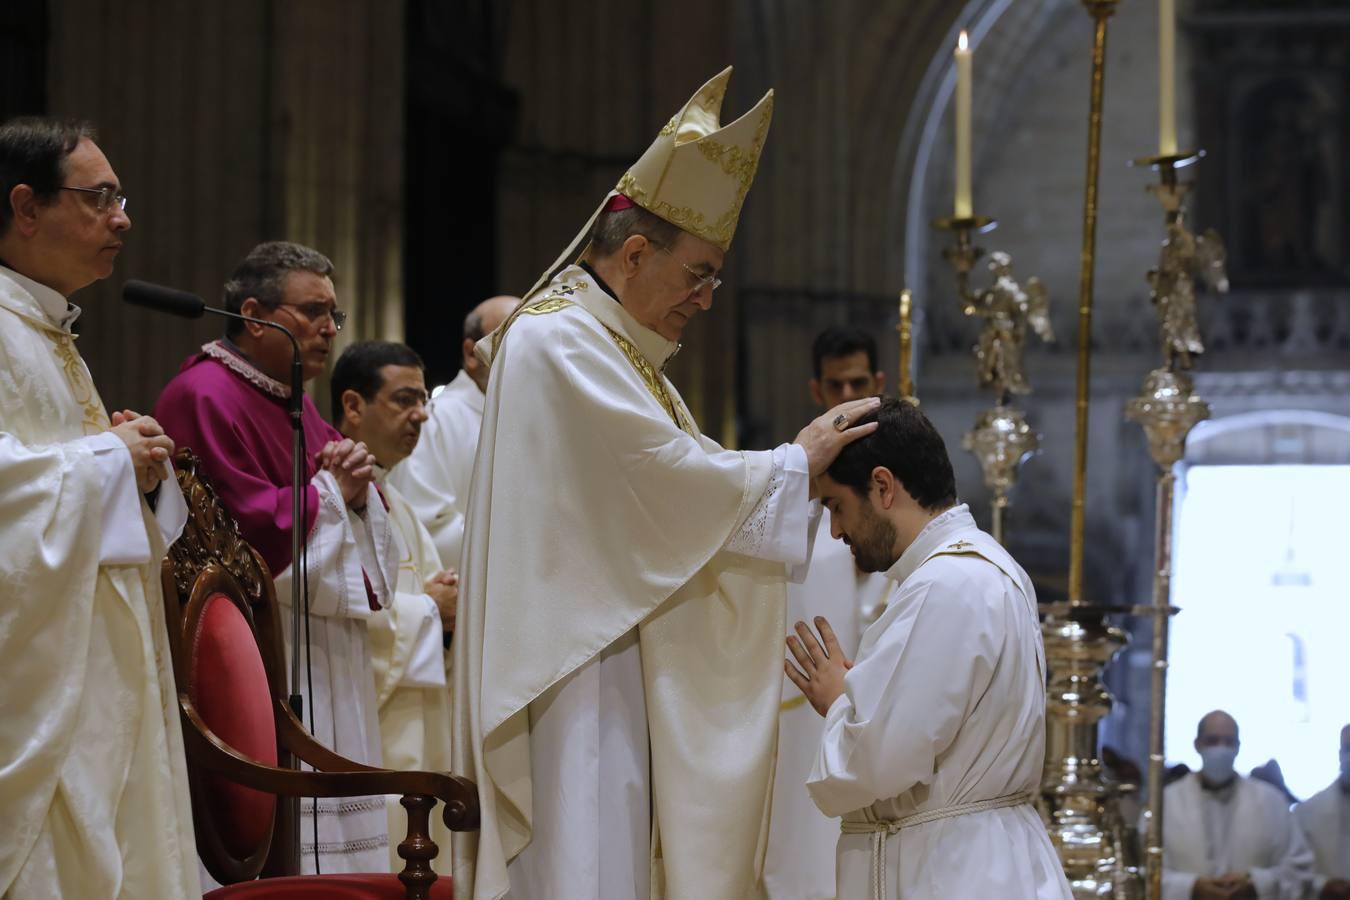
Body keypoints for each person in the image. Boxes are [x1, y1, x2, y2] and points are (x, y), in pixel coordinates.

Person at [452, 67, 881, 900]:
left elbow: (664, 489)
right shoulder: (561, 343)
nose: (708, 299)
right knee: (587, 858)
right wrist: (795, 460)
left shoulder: (611, 346)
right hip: (572, 671)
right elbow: (666, 481)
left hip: (608, 651)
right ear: (638, 251)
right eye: (701, 273)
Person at [0, 116, 200, 898]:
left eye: (121, 198)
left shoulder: (47, 329)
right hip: (38, 690)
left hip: (96, 674)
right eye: (100, 198)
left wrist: (135, 472)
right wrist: (106, 460)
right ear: (25, 207)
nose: (123, 218)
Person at [155, 241, 398, 874]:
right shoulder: (204, 394)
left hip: (322, 648)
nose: (329, 329)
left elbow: (334, 505)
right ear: (256, 313)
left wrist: (357, 487)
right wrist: (334, 493)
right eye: (314, 310)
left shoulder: (295, 403)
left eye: (335, 315)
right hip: (263, 650)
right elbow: (236, 534)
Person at [785, 397, 1072, 900]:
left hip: (953, 871)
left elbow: (874, 765)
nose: (835, 530)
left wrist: (839, 705)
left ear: (882, 486)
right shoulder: (984, 569)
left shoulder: (943, 585)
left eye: (836, 505)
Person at [764, 326, 893, 900]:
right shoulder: (798, 476)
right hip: (809, 702)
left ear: (879, 383)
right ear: (816, 389)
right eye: (835, 383)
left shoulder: (905, 463)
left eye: (858, 382)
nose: (846, 392)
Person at [332, 340, 459, 874]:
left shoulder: (395, 500)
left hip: (411, 726)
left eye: (424, 399)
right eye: (404, 399)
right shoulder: (330, 492)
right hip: (364, 736)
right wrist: (430, 610)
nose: (422, 414)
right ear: (354, 406)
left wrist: (446, 611)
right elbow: (336, 612)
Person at [386, 294, 519, 568]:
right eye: (510, 340)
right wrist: (524, 542)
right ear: (472, 353)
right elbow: (430, 527)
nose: (524, 353)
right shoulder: (436, 421)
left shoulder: (530, 416)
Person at [1153, 710, 1313, 900]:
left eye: (1229, 742)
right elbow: (1146, 869)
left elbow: (1299, 870)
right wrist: (1192, 887)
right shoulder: (1165, 803)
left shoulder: (1272, 802)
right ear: (1197, 745)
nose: (1221, 749)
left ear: (1238, 746)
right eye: (1212, 741)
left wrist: (1256, 884)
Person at [1293, 725, 1350, 899]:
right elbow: (1293, 869)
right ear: (1340, 754)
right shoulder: (1307, 812)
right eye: (1349, 748)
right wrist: (1324, 885)